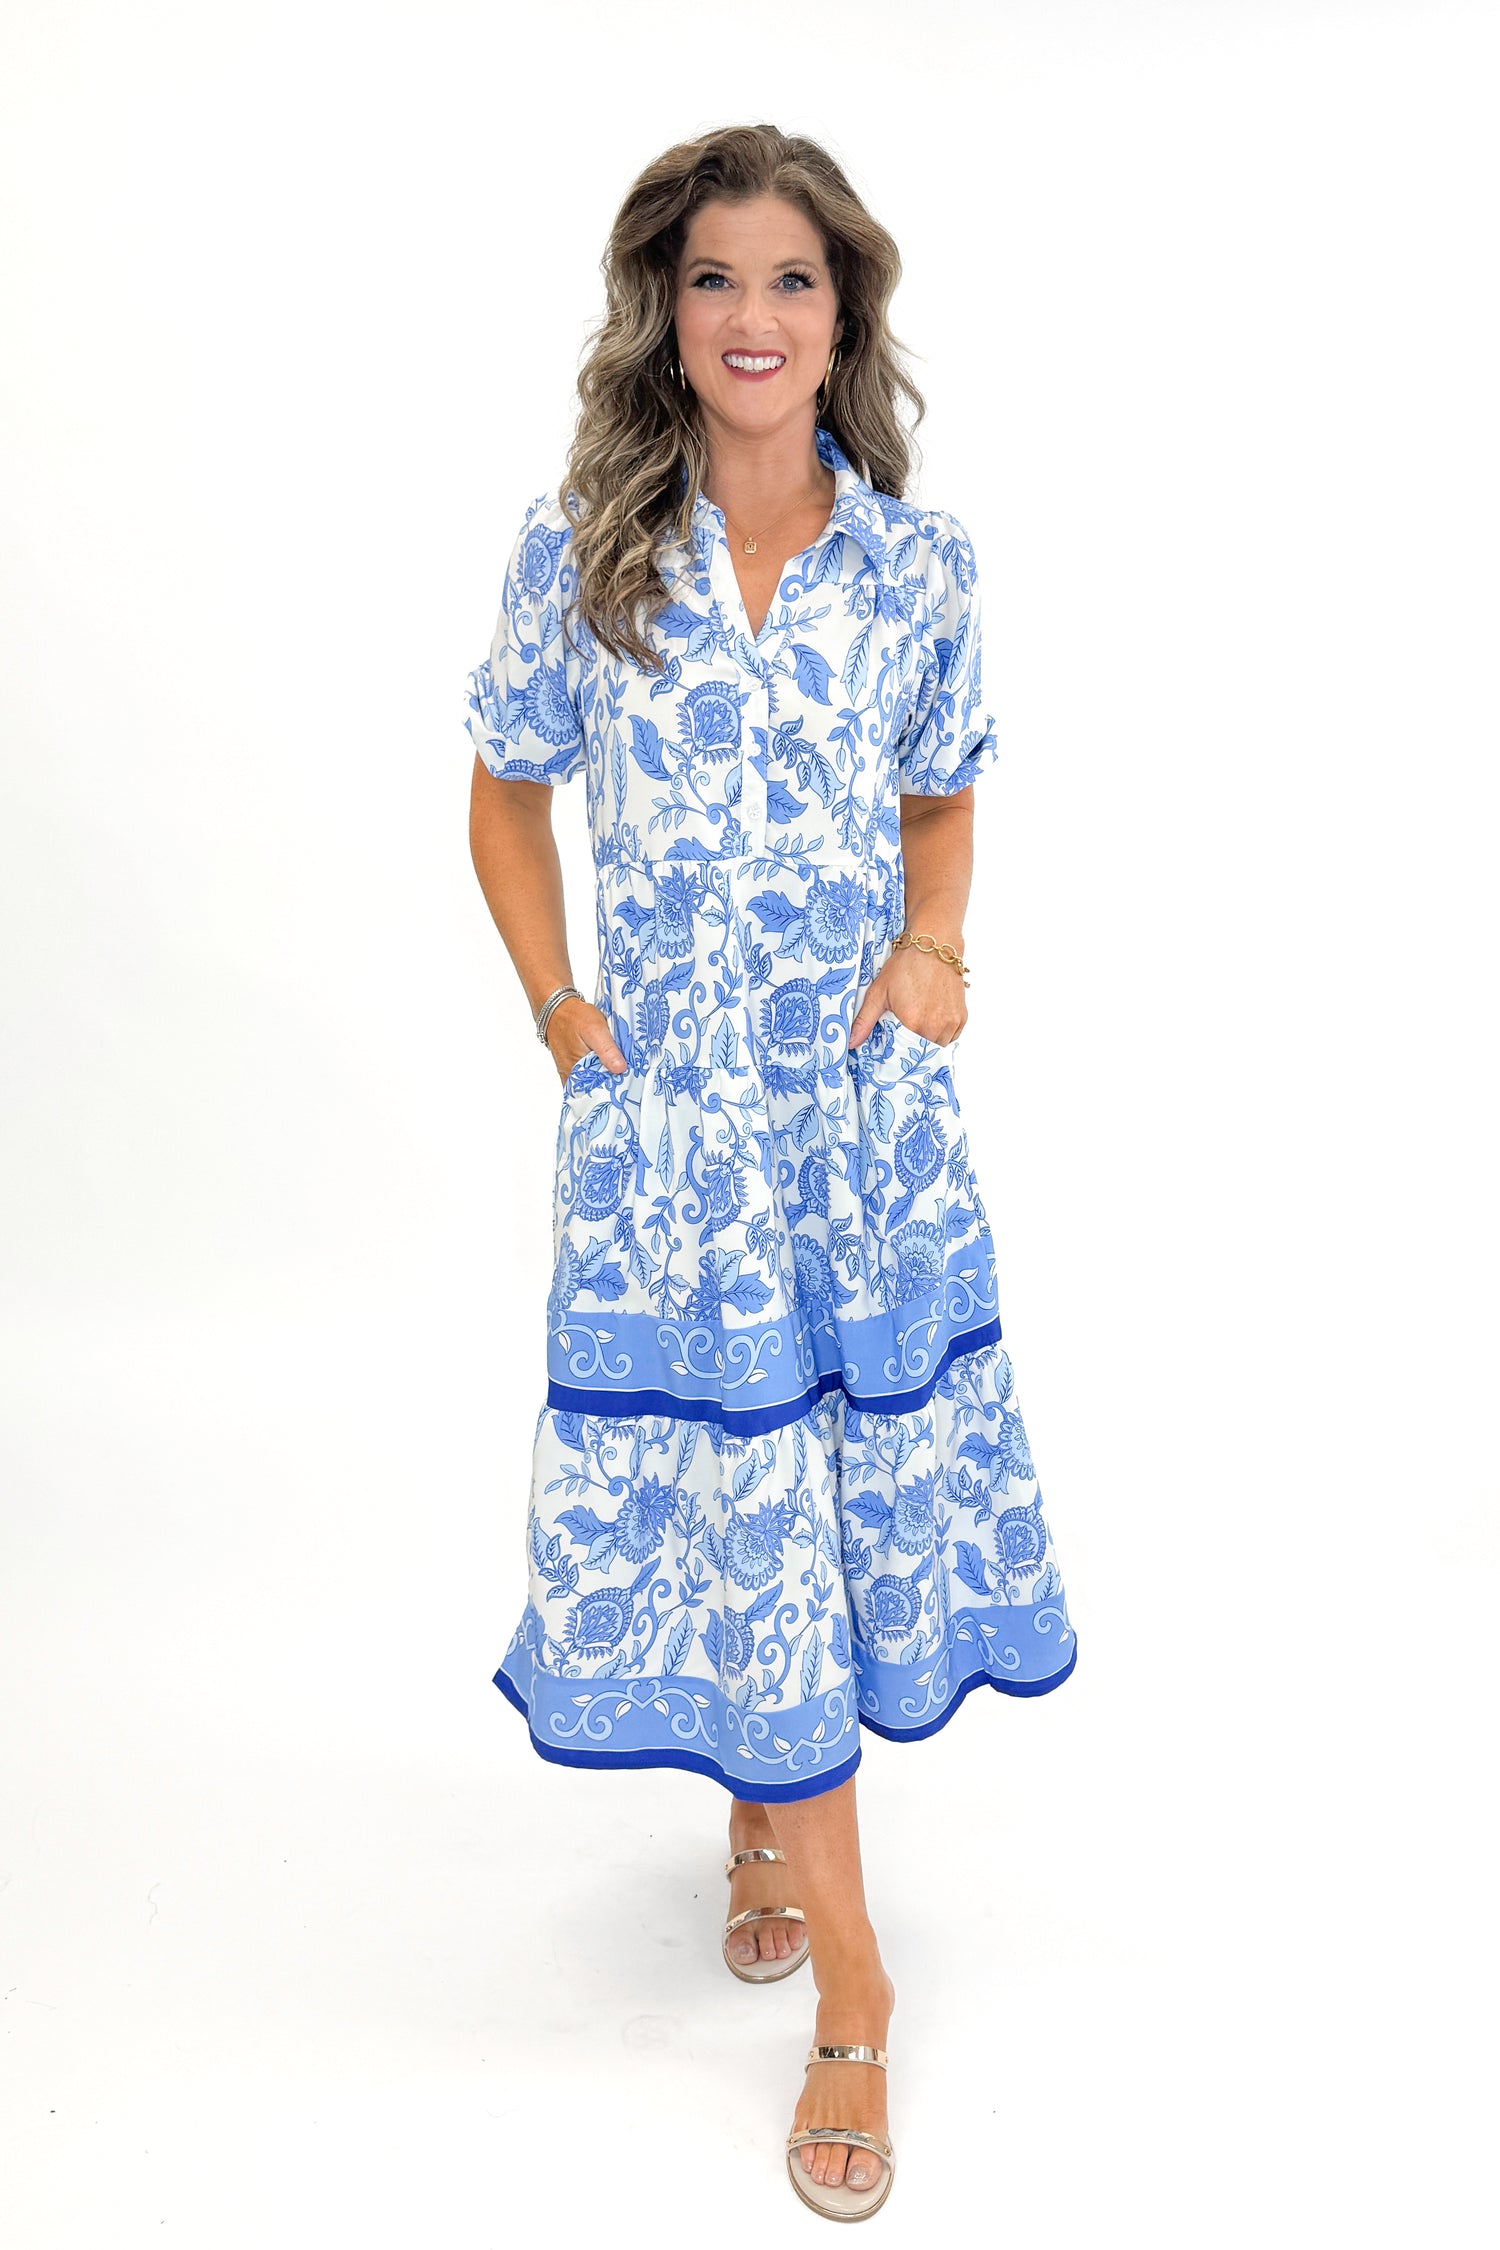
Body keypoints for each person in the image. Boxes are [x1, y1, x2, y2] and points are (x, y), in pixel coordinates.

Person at [464, 122, 1079, 2222]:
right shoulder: (583, 555)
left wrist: (935, 951)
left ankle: (779, 1846)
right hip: (675, 1147)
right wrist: (567, 1014)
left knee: (821, 1485)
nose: (751, 313)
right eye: (714, 276)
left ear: (843, 316)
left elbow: (943, 794)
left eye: (791, 279)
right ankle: (858, 1982)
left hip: (858, 1130)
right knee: (734, 1485)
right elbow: (502, 796)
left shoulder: (918, 569)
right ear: (667, 311)